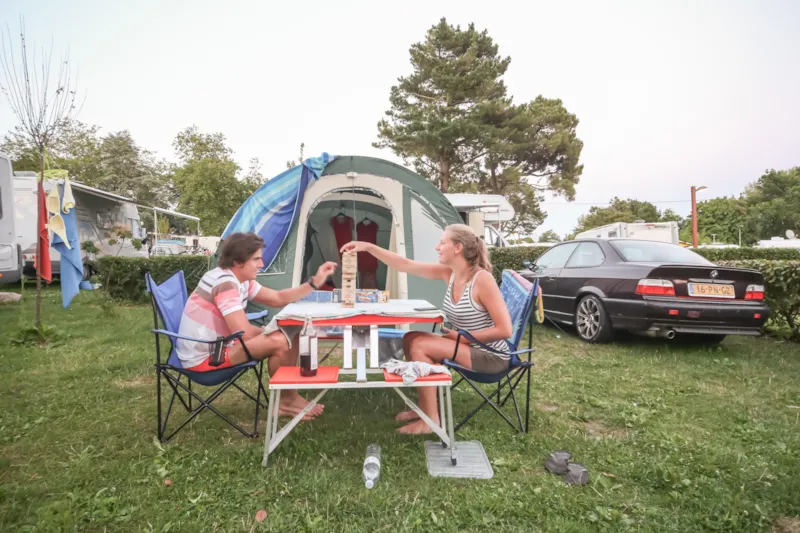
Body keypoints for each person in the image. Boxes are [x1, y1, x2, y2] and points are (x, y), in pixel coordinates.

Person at [340, 224, 512, 434]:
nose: (436, 247)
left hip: (491, 356)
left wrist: (464, 338)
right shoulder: (449, 273)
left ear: (457, 248)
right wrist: (368, 247)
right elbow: (405, 265)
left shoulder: (482, 279)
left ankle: (431, 421)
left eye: (442, 242)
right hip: (467, 346)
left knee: (419, 344)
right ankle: (425, 408)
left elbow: (505, 330)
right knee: (410, 337)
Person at [177, 232, 337, 419]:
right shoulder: (225, 284)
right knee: (281, 340)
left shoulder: (240, 280)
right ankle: (286, 403)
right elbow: (243, 333)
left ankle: (289, 398)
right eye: (256, 259)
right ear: (238, 262)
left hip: (219, 346)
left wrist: (315, 282)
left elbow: (278, 298)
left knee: (289, 333)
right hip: (207, 358)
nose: (261, 264)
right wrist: (272, 331)